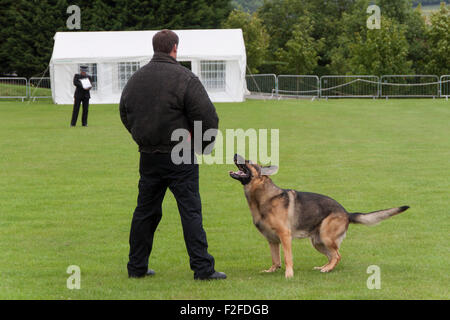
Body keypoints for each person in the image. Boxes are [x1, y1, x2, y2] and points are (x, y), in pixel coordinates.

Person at [119, 29, 226, 280]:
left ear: (155, 47)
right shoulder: (185, 78)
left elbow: (125, 112)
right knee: (190, 211)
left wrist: (141, 137)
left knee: (145, 212)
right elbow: (207, 116)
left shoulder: (136, 79)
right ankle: (202, 269)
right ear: (174, 48)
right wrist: (202, 146)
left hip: (148, 155)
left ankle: (137, 267)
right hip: (180, 153)